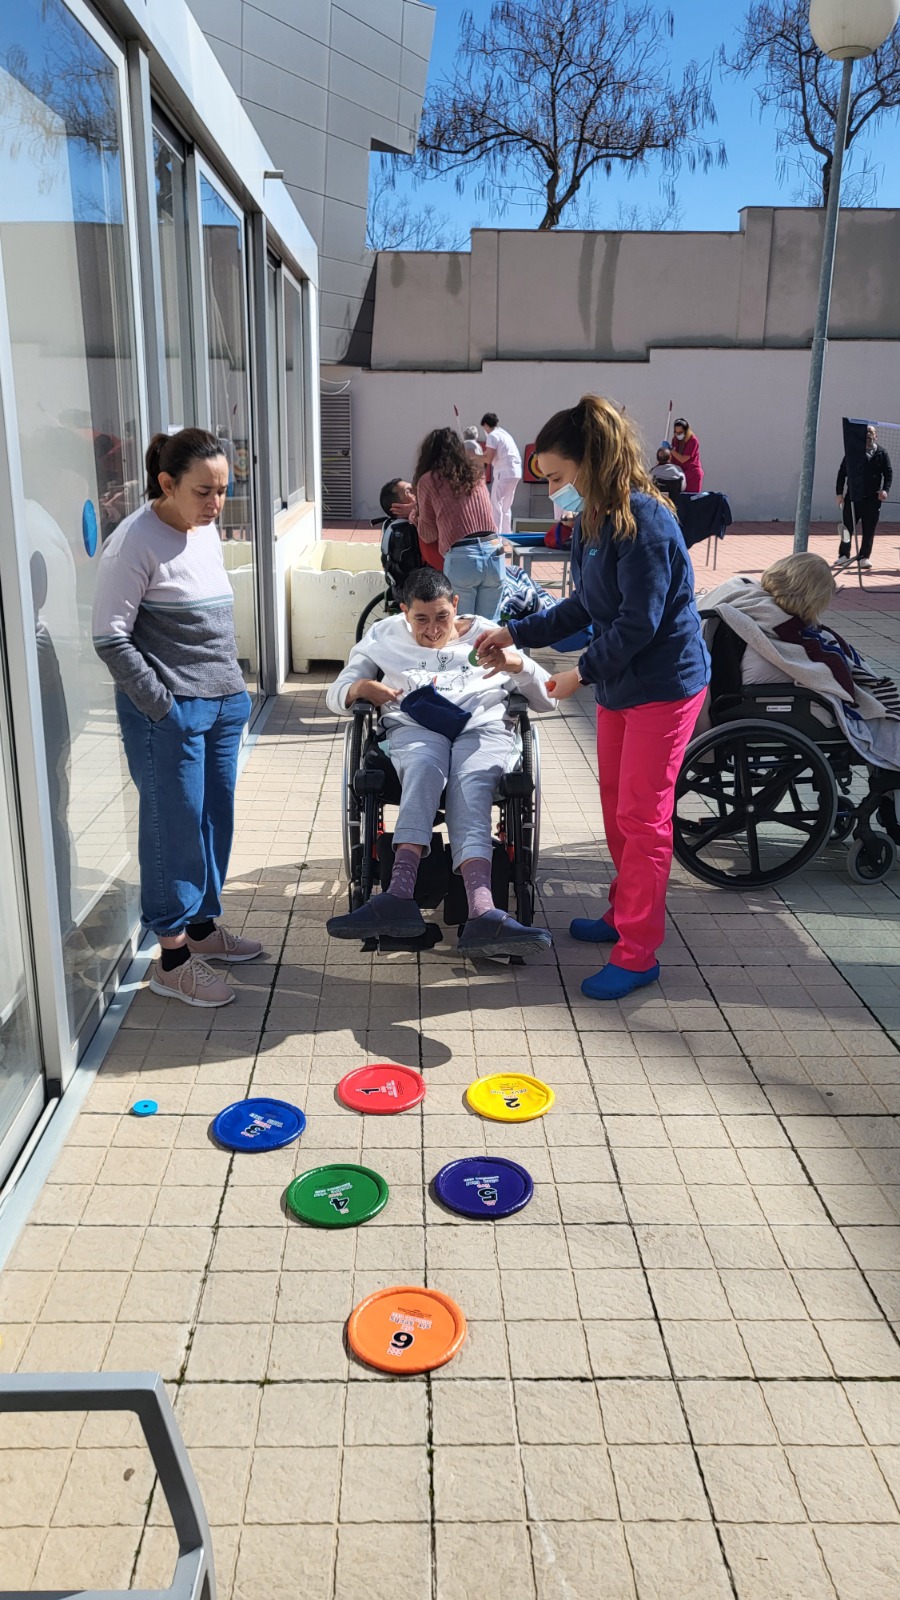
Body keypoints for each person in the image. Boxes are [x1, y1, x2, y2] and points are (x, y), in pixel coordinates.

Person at [476, 394, 710, 1001]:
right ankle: (621, 913)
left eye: (556, 477)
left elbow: (640, 623)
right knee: (615, 807)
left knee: (643, 816)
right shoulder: (594, 521)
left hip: (664, 683)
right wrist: (515, 632)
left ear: (591, 462)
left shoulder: (647, 521)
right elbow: (583, 605)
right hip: (623, 684)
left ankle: (639, 953)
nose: (552, 491)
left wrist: (578, 675)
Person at [92, 428, 261, 1009]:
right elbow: (110, 638)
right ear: (167, 484)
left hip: (220, 702)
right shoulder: (133, 541)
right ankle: (172, 958)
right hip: (170, 712)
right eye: (203, 491)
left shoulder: (203, 530)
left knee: (214, 818)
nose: (216, 504)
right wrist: (162, 707)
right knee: (173, 827)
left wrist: (233, 694)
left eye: (223, 490)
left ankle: (204, 929)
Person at [325, 567, 555, 956]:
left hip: (482, 727)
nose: (433, 629)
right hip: (417, 726)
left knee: (472, 780)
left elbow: (548, 698)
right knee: (424, 767)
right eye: (421, 619)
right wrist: (363, 687)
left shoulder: (488, 633)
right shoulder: (383, 636)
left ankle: (484, 912)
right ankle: (398, 896)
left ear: (455, 604)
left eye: (442, 617)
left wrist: (518, 666)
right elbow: (337, 693)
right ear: (403, 611)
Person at [702, 553, 900, 771]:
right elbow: (831, 672)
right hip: (775, 704)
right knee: (880, 719)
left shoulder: (749, 600)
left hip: (736, 696)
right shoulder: (781, 626)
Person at [411, 427, 503, 618]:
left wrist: (414, 516)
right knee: (490, 630)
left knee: (461, 627)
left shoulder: (428, 480)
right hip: (495, 551)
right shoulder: (476, 475)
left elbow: (428, 534)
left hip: (463, 557)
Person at [835, 425, 893, 571]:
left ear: (876, 436)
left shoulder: (881, 453)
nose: (868, 435)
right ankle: (844, 555)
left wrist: (885, 490)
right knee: (847, 528)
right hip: (853, 497)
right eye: (866, 432)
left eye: (871, 433)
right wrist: (839, 493)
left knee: (869, 529)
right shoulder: (853, 452)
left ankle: (864, 557)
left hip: (872, 499)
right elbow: (842, 473)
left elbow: (888, 473)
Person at [480, 411, 523, 536]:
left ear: (486, 425)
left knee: (496, 504)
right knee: (506, 506)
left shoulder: (492, 436)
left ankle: (496, 535)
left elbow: (488, 458)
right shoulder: (505, 434)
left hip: (503, 473)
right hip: (515, 472)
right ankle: (506, 535)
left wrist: (474, 457)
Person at [669, 417, 703, 492]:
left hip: (692, 475)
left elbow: (683, 459)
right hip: (679, 475)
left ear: (686, 431)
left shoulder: (693, 441)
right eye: (676, 432)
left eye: (680, 432)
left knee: (690, 499)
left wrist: (671, 449)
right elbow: (673, 457)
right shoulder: (675, 440)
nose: (678, 435)